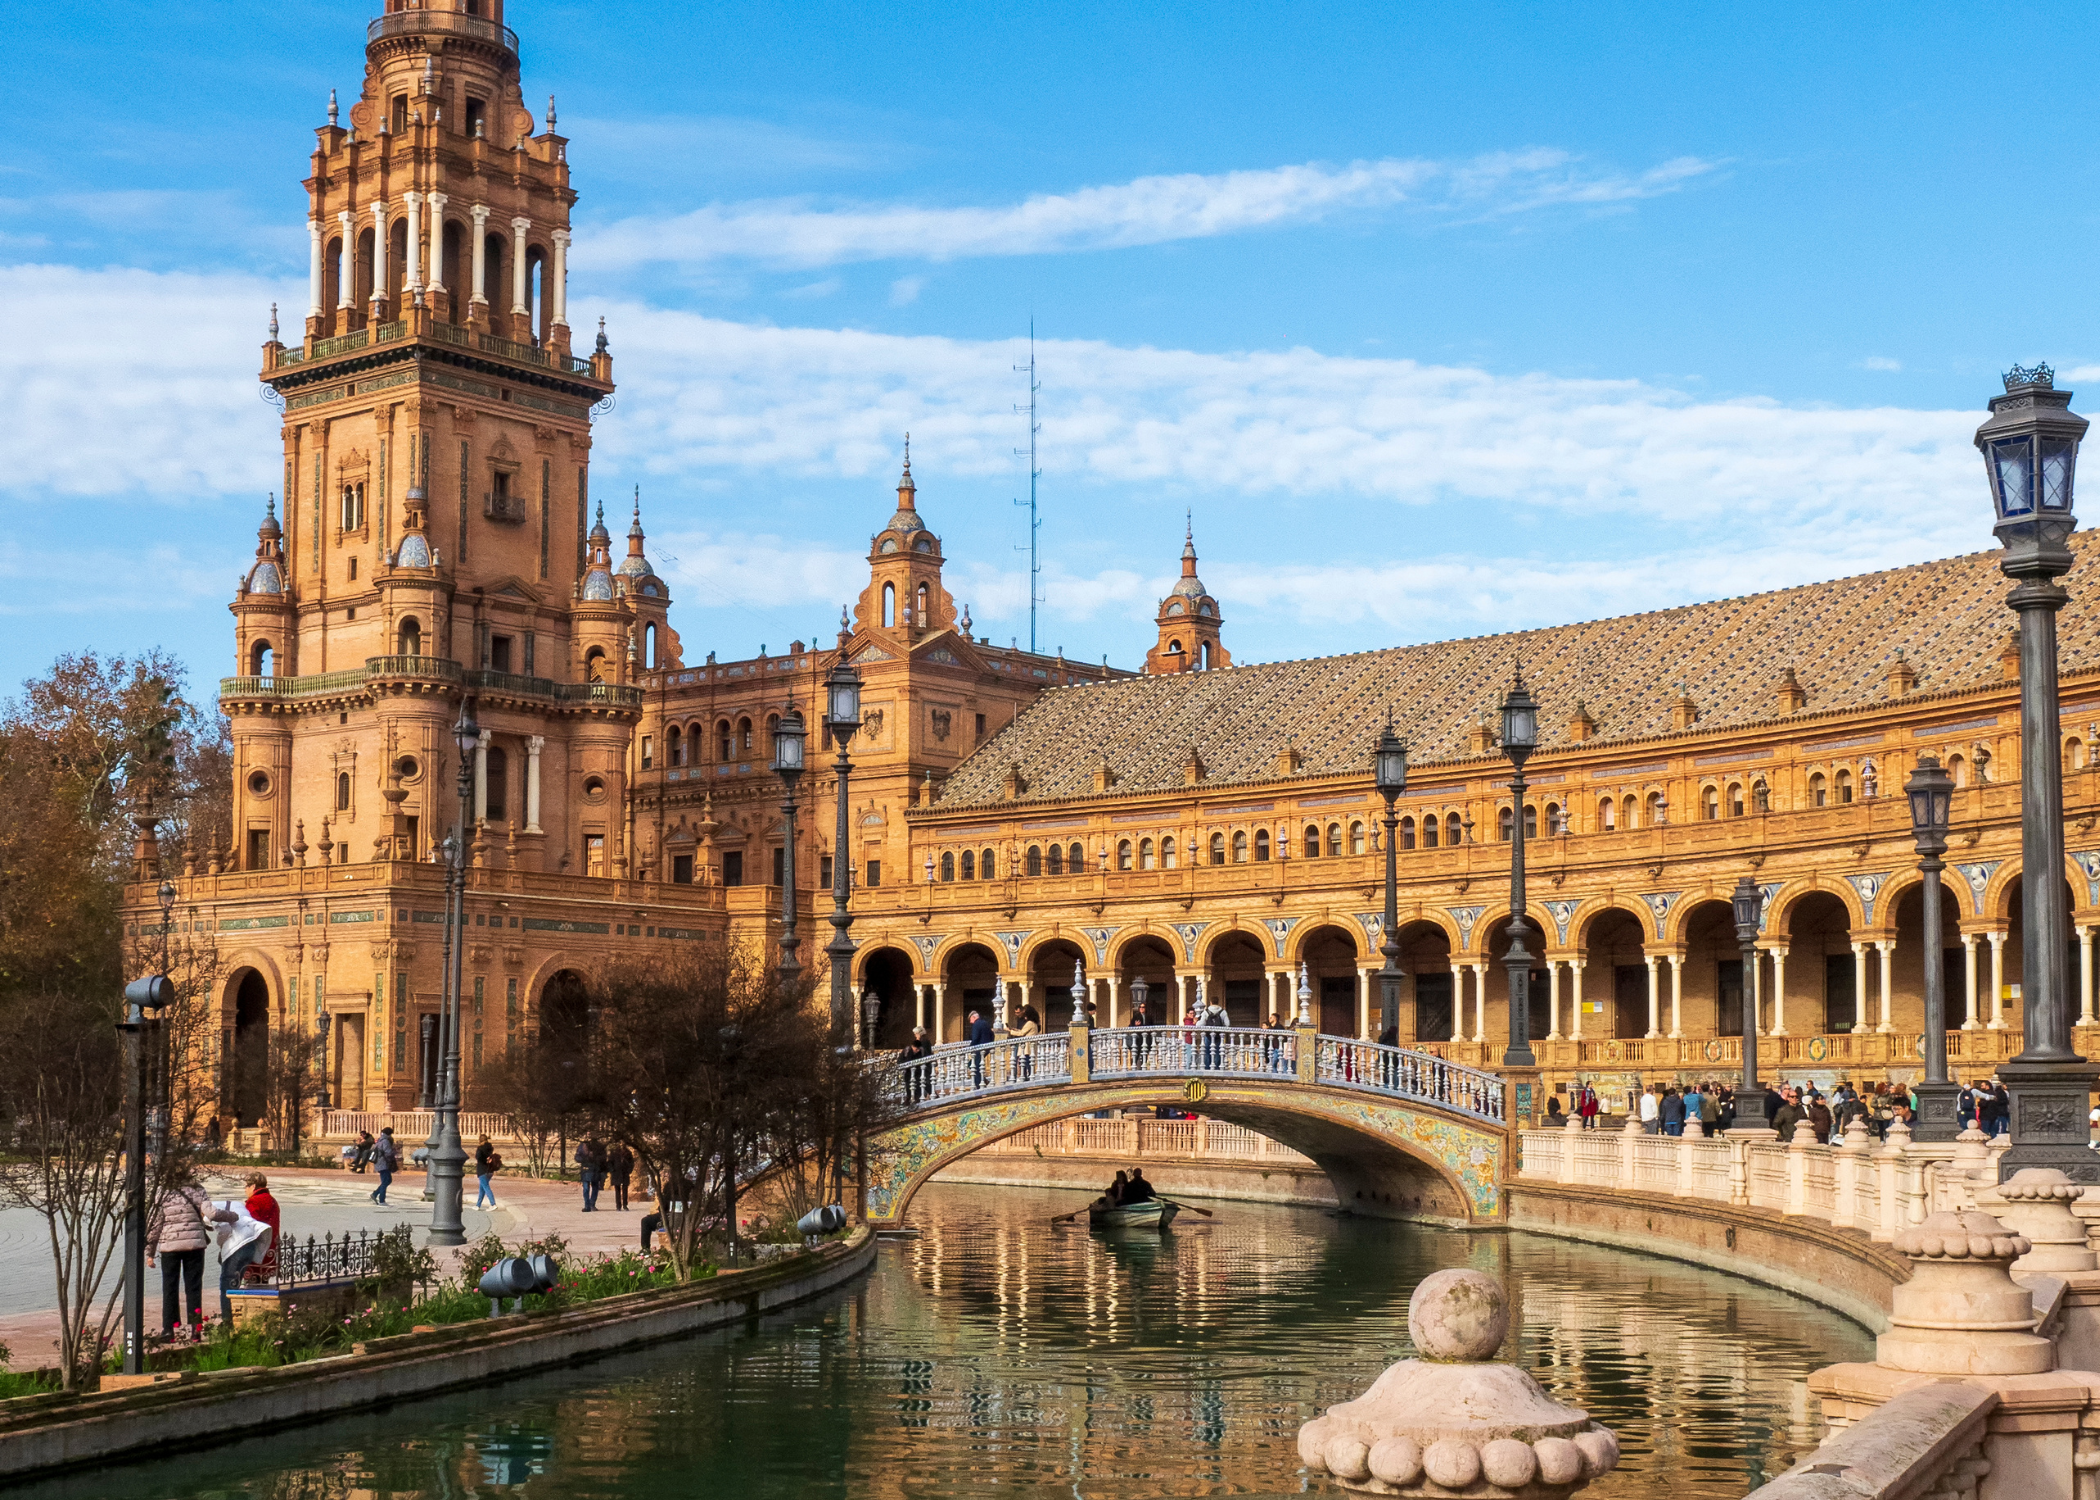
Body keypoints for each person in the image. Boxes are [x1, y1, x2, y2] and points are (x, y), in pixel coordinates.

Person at [145, 1170, 213, 1336]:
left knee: (169, 1288)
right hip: (195, 1246)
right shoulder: (198, 1189)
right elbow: (210, 1214)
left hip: (170, 1246)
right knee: (194, 1288)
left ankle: (169, 1330)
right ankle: (196, 1330)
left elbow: (156, 1224)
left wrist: (150, 1252)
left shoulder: (162, 1193)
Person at [208, 1194, 271, 1325]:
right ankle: (237, 1315)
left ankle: (227, 1321)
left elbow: (224, 1230)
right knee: (236, 1283)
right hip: (252, 1242)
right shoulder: (237, 1204)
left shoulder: (210, 1210)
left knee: (227, 1283)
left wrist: (221, 1245)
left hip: (237, 1245)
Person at [243, 1172, 281, 1282]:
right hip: (271, 1247)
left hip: (256, 1248)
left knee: (252, 1282)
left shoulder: (254, 1202)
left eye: (246, 1186)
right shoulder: (272, 1200)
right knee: (263, 1281)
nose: (245, 1190)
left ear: (253, 1186)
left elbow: (250, 1225)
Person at [900, 1026, 933, 1103]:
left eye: (916, 1034)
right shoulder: (922, 1041)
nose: (915, 1035)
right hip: (919, 1065)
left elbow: (924, 1053)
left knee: (922, 1081)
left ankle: (915, 1097)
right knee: (920, 1081)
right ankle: (913, 1097)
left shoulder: (923, 1041)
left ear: (919, 1033)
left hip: (923, 1065)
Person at [369, 1126, 399, 1204]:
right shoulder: (385, 1141)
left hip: (379, 1163)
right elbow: (388, 1153)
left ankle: (376, 1194)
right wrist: (394, 1153)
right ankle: (381, 1198)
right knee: (386, 1181)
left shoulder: (379, 1140)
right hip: (384, 1163)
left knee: (386, 1180)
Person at [966, 1008, 995, 1087]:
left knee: (973, 1065)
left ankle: (979, 1084)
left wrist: (970, 1048)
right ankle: (983, 1080)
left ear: (974, 1017)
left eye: (970, 1019)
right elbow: (992, 1035)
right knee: (976, 1065)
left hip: (979, 1048)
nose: (970, 1022)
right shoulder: (985, 1023)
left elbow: (975, 1038)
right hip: (987, 1048)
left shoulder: (976, 1024)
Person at [578, 1137, 605, 1211]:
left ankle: (592, 1204)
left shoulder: (599, 1146)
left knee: (595, 1187)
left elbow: (603, 1157)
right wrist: (585, 1159)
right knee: (586, 1188)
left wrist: (596, 1160)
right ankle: (587, 1205)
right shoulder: (582, 1146)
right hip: (586, 1170)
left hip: (595, 1170)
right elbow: (577, 1157)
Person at [1015, 1004, 1041, 1081]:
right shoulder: (1034, 1023)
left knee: (1025, 1062)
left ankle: (1027, 1077)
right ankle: (1027, 1076)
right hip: (1029, 1046)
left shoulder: (1030, 1023)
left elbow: (1022, 1033)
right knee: (1026, 1062)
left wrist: (1010, 1031)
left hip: (1027, 1047)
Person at [608, 1140, 635, 1211]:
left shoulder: (628, 1153)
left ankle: (625, 1204)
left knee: (625, 1189)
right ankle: (618, 1205)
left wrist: (629, 1170)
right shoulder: (614, 1152)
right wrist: (612, 1170)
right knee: (617, 1189)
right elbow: (610, 1162)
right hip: (616, 1173)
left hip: (625, 1173)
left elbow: (631, 1162)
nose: (621, 1144)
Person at [474, 1135, 500, 1209]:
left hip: (482, 1170)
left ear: (480, 1140)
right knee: (482, 1188)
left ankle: (493, 1204)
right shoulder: (490, 1148)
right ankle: (478, 1205)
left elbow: (478, 1157)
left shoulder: (480, 1148)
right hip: (490, 1170)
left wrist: (483, 1160)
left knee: (486, 1187)